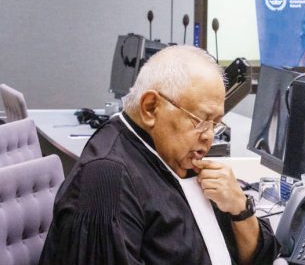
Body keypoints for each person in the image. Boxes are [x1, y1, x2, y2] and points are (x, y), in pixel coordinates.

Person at [39, 45, 278, 265]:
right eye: (201, 121)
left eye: (215, 124)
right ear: (151, 108)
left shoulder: (181, 160)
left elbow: (262, 258)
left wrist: (239, 208)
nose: (209, 136)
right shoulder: (108, 178)